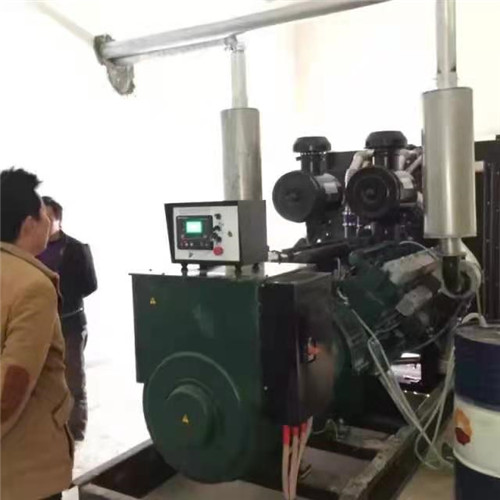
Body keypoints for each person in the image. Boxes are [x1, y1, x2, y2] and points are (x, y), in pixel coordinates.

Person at [1, 168, 73, 500]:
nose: (48, 221)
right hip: (23, 471)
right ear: (28, 223)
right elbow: (9, 390)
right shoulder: (33, 286)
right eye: (44, 213)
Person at [38, 196, 97, 441]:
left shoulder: (76, 248)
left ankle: (75, 431)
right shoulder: (29, 249)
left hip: (70, 324)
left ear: (59, 220)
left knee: (73, 380)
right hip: (40, 324)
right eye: (39, 217)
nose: (43, 222)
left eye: (48, 217)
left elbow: (90, 285)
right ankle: (46, 428)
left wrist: (62, 293)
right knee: (42, 380)